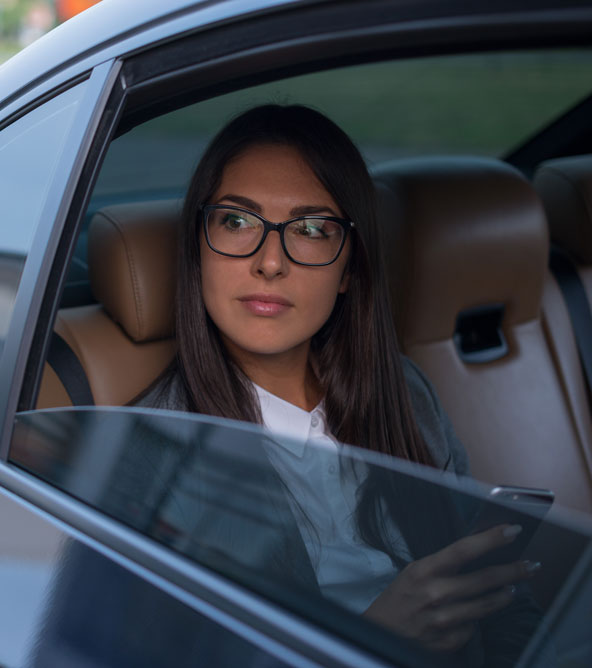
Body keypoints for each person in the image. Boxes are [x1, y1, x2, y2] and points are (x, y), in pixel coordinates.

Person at [137, 104, 541, 664]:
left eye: (310, 230)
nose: (270, 262)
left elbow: (492, 603)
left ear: (349, 268)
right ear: (196, 249)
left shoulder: (405, 391)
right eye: (237, 221)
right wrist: (368, 639)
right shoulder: (148, 451)